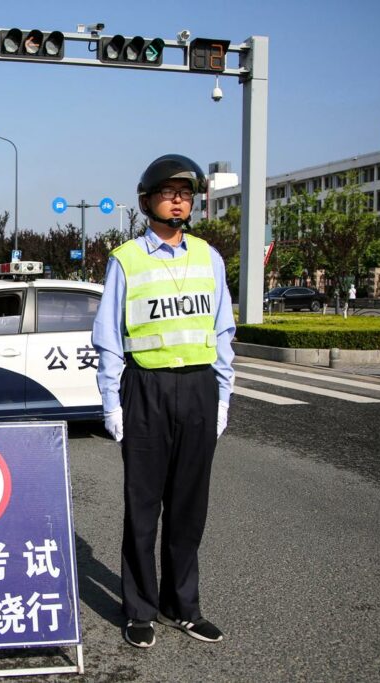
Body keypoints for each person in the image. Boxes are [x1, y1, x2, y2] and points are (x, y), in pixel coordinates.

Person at [91, 154, 236, 649]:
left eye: (186, 192)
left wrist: (223, 396)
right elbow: (110, 336)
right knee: (143, 505)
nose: (179, 199)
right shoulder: (126, 259)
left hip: (198, 388)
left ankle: (183, 606)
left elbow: (223, 331)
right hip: (146, 389)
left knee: (189, 507)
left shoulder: (209, 257)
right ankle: (139, 609)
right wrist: (112, 402)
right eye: (169, 191)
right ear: (147, 200)